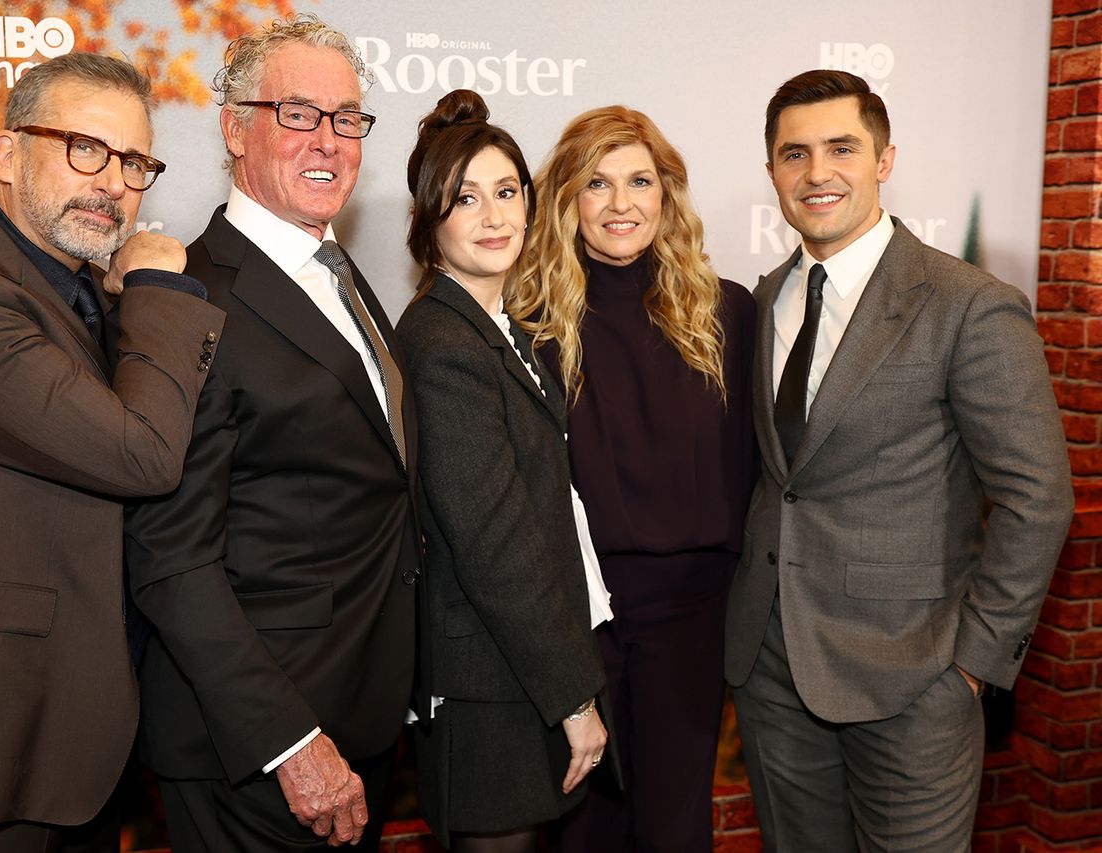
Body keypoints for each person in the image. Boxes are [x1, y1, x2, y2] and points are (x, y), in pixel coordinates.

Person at [0, 52, 224, 851]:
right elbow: (144, 455)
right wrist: (162, 289)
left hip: (73, 737)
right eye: (84, 148)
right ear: (7, 154)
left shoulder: (68, 283)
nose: (114, 183)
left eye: (133, 162)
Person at [725, 69, 1074, 851]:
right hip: (773, 671)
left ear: (884, 160)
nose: (817, 173)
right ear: (773, 170)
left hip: (916, 678)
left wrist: (972, 667)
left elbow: (1038, 498)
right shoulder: (765, 295)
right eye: (794, 154)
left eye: (841, 148)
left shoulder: (967, 304)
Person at [123, 15, 417, 852]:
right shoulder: (189, 298)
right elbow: (171, 557)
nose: (329, 140)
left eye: (347, 119)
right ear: (233, 127)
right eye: (297, 114)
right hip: (255, 749)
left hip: (357, 720)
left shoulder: (343, 274)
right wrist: (290, 743)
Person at [508, 107, 756, 853]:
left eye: (639, 181)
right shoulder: (531, 324)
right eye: (597, 183)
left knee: (677, 823)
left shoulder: (726, 311)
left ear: (666, 194)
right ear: (566, 202)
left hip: (694, 612)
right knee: (587, 825)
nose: (621, 204)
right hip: (582, 616)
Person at [396, 89, 610, 853]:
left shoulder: (499, 328)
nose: (493, 217)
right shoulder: (443, 343)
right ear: (429, 219)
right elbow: (495, 543)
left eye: (507, 192)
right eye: (465, 199)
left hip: (513, 673)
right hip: (487, 687)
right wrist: (573, 697)